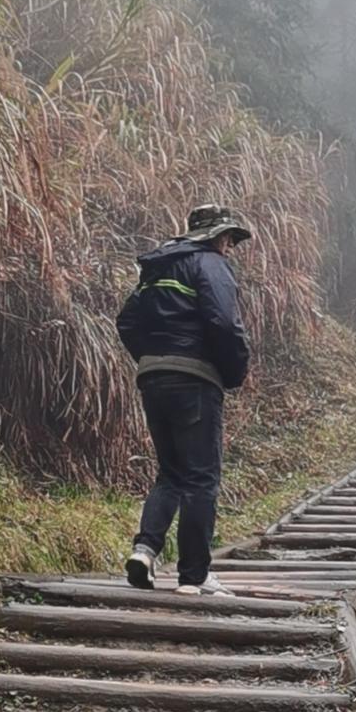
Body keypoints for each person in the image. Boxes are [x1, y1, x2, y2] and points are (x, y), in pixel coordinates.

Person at [116, 204, 251, 595]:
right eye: (229, 239)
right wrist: (233, 371)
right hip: (194, 379)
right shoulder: (209, 264)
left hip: (153, 378)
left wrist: (152, 357)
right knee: (201, 476)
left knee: (170, 472)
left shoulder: (158, 268)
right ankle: (194, 575)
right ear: (217, 237)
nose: (230, 247)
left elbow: (126, 320)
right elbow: (224, 322)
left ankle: (145, 550)